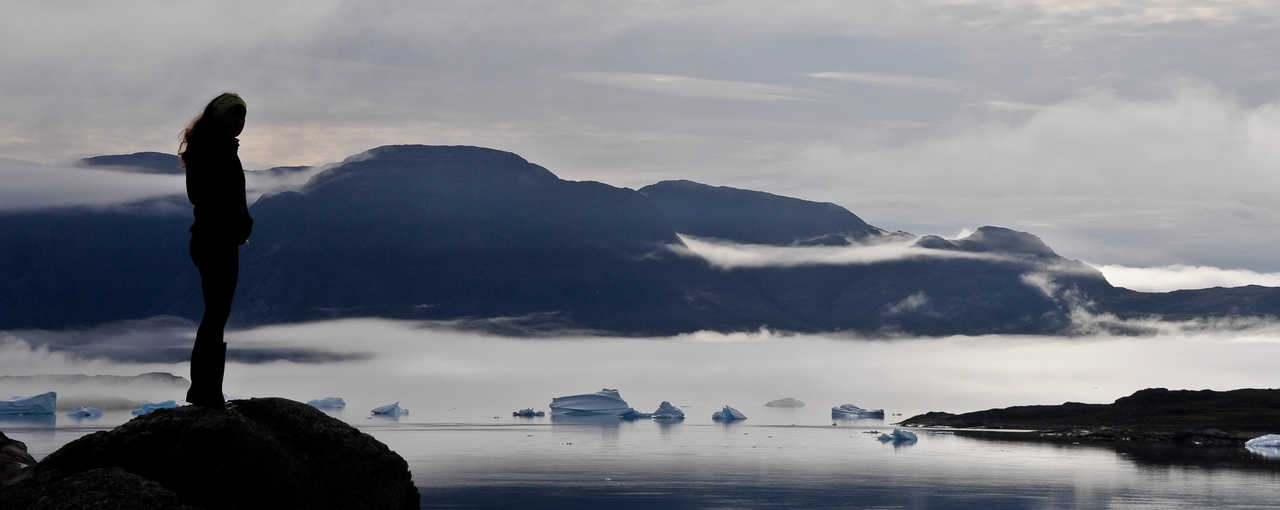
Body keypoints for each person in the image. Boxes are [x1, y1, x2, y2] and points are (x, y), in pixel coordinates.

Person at [179, 92, 252, 407]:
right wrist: (235, 224)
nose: (239, 123)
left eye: (242, 117)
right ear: (220, 118)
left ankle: (206, 389)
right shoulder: (215, 150)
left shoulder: (209, 147)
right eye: (235, 116)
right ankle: (205, 391)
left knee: (216, 313)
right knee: (216, 313)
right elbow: (211, 197)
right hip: (216, 241)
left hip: (214, 239)